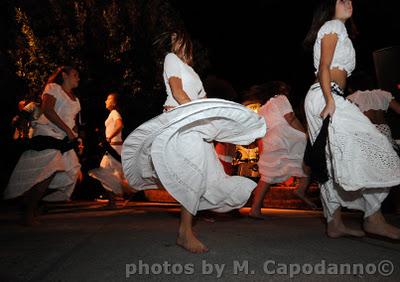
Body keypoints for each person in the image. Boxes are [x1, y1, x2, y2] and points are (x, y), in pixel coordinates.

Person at [122, 30, 266, 253]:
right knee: (194, 174)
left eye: (178, 38)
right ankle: (185, 232)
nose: (175, 42)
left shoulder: (192, 72)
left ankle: (185, 230)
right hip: (181, 123)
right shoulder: (171, 59)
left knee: (204, 175)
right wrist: (197, 115)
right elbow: (178, 92)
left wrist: (217, 122)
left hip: (195, 126)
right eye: (173, 39)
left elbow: (204, 100)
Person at [303, 0, 400, 239]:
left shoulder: (337, 29)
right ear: (329, 6)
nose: (349, 3)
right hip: (326, 95)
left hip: (324, 95)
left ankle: (334, 222)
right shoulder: (334, 25)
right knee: (372, 143)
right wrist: (330, 99)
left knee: (329, 160)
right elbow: (324, 65)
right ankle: (373, 217)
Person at [4, 66, 82, 226]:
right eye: (75, 75)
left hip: (63, 140)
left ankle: (30, 203)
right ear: (64, 75)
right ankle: (29, 213)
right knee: (46, 176)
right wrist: (68, 130)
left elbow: (72, 122)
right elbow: (47, 110)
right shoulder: (53, 88)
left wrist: (75, 135)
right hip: (49, 136)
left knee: (73, 175)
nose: (78, 78)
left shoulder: (76, 99)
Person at [248, 82, 316, 219]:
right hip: (285, 136)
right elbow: (290, 117)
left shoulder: (262, 108)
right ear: (278, 90)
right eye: (284, 88)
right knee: (309, 157)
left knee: (267, 175)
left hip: (270, 140)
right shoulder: (280, 98)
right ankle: (301, 189)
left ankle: (255, 209)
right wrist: (304, 134)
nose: (286, 91)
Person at [89, 93, 136, 208]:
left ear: (114, 103)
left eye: (108, 99)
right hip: (114, 147)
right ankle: (126, 192)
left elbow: (120, 125)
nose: (105, 101)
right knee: (114, 174)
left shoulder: (114, 113)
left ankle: (115, 200)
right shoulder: (112, 114)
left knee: (104, 172)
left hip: (114, 148)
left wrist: (109, 137)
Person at [347, 76, 400, 153]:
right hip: (385, 132)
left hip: (369, 135)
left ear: (350, 88)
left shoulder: (351, 99)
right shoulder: (382, 94)